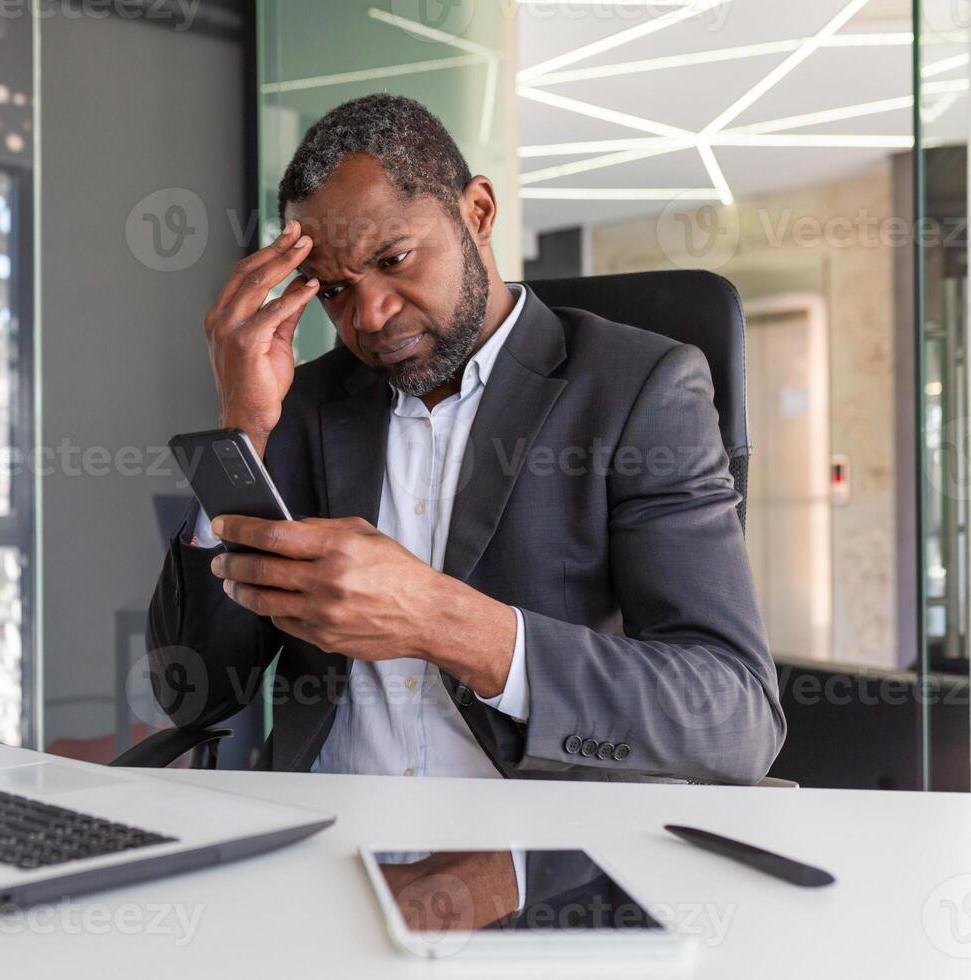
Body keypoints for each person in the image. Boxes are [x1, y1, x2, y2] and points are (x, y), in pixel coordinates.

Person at [147, 94, 784, 784]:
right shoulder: (299, 406)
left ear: (477, 212)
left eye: (393, 258)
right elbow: (195, 694)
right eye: (332, 290)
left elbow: (733, 716)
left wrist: (439, 620)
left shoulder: (637, 390)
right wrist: (241, 431)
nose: (369, 315)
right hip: (319, 836)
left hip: (530, 861)